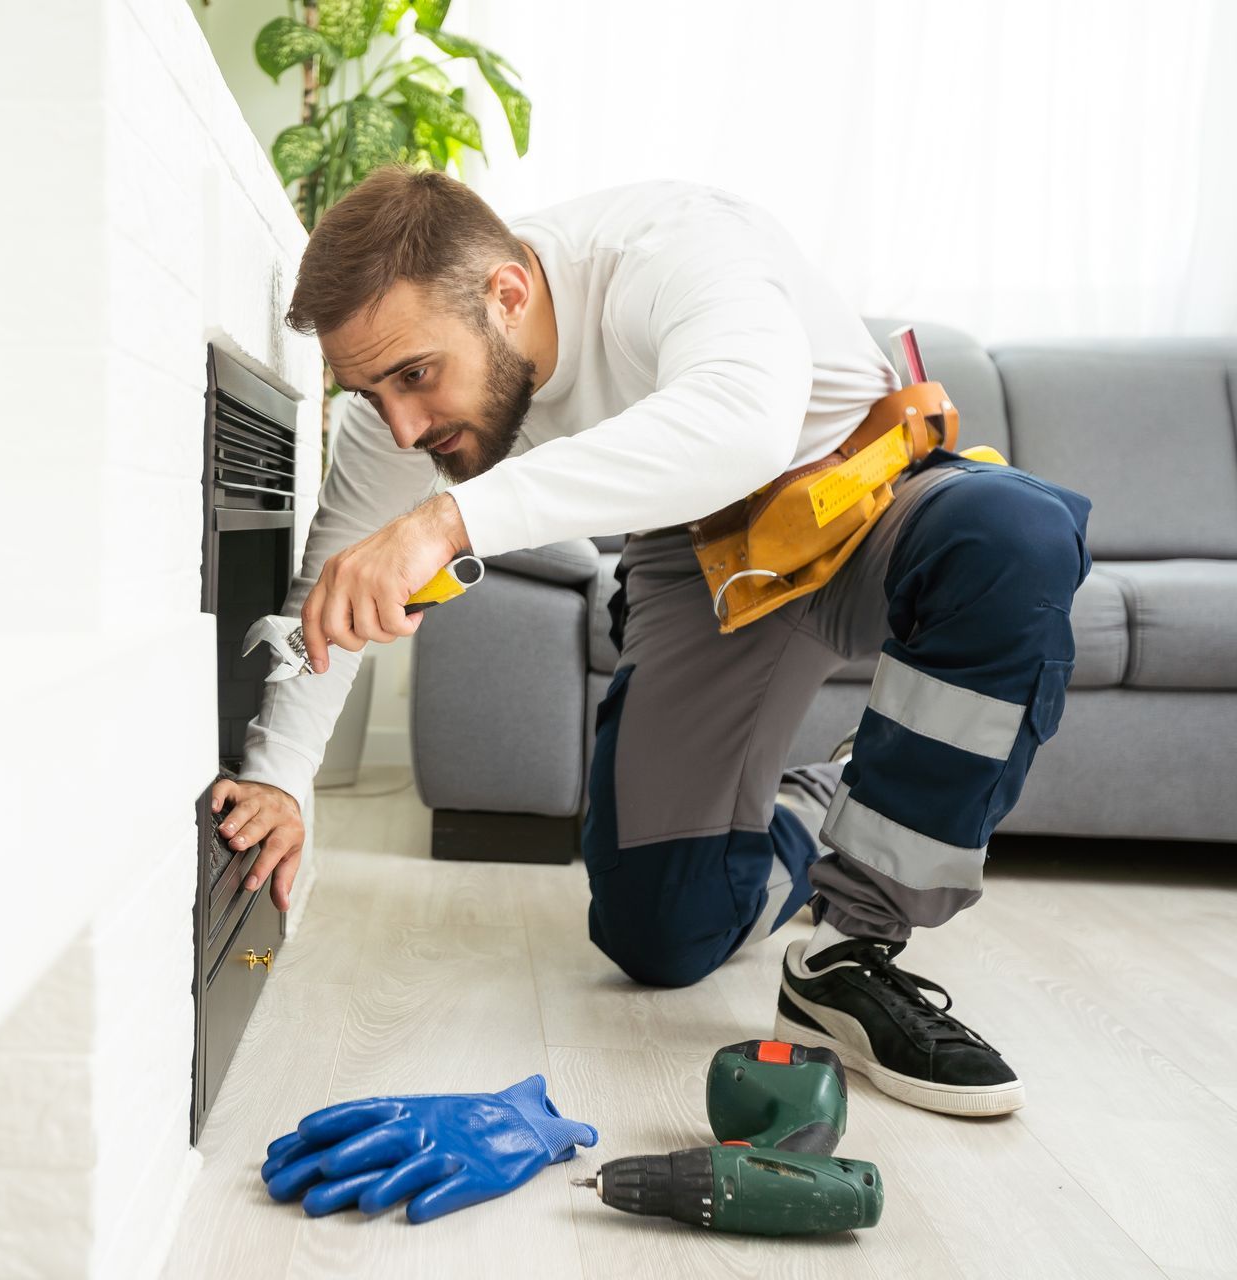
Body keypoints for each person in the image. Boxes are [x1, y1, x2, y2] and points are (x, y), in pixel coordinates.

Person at [208, 166, 1090, 1116]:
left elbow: (741, 429)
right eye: (372, 392)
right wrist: (280, 777)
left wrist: (448, 522)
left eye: (417, 377)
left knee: (1014, 537)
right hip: (706, 559)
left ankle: (854, 948)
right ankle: (829, 791)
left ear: (508, 292)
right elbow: (329, 590)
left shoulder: (674, 247)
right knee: (661, 938)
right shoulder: (400, 404)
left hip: (866, 500)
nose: (404, 424)